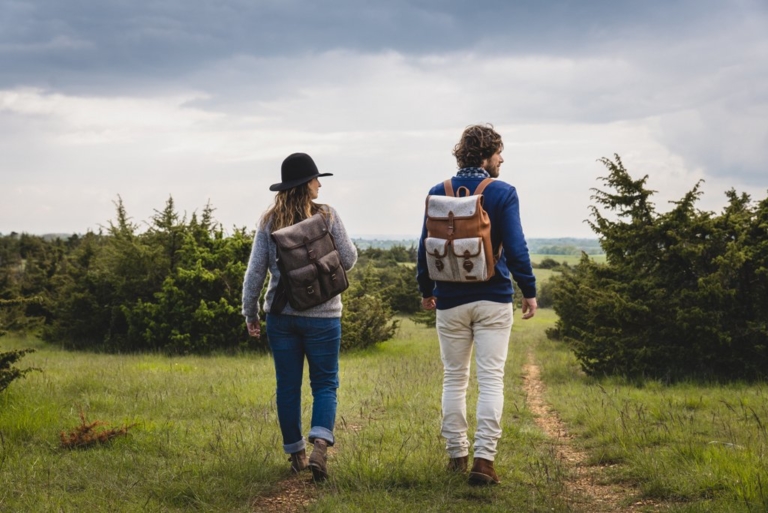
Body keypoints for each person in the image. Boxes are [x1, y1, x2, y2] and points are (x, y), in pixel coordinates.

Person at [416, 124, 537, 485]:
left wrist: (427, 289)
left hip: (449, 299)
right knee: (491, 379)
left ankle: (456, 455)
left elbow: (423, 247)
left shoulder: (438, 192)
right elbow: (516, 248)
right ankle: (484, 461)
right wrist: (528, 290)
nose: (502, 159)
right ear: (486, 155)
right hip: (493, 298)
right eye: (499, 152)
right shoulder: (502, 192)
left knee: (454, 378)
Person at [242, 152, 357, 481]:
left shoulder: (269, 221)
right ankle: (321, 444)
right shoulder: (328, 216)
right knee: (325, 384)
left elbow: (255, 275)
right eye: (316, 178)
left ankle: (297, 454)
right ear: (306, 184)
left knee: (288, 387)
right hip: (325, 317)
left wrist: (250, 313)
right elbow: (347, 260)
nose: (320, 183)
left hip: (282, 317)